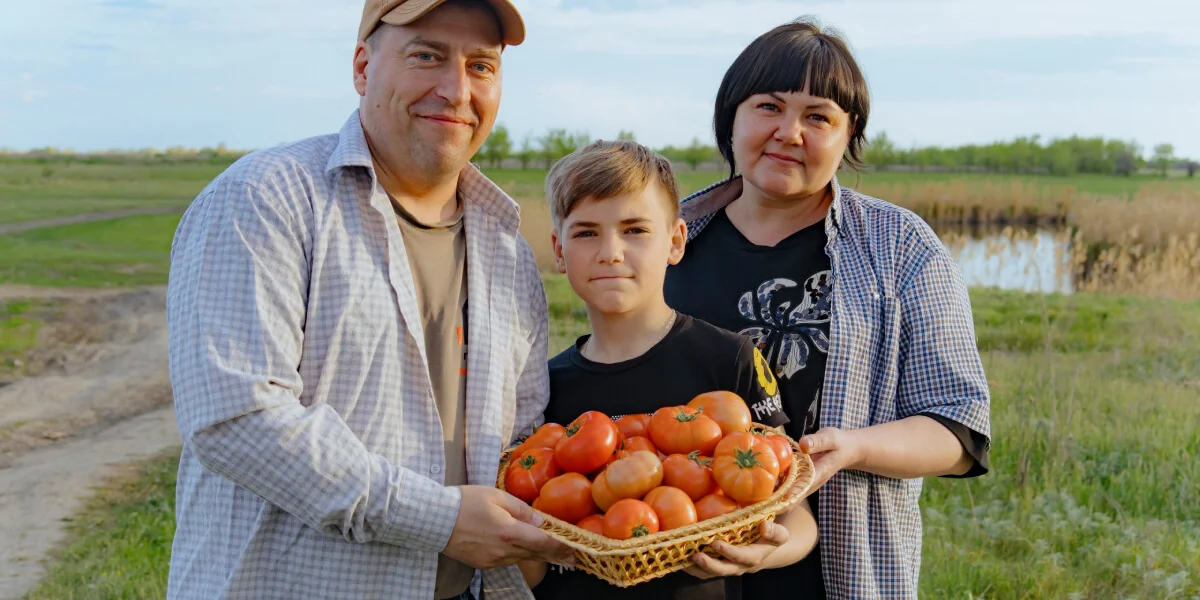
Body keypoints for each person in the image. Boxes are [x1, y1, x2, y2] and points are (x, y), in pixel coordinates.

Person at [164, 1, 573, 598]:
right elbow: (238, 419)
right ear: (362, 67)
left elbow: (523, 439)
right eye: (427, 56)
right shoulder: (265, 199)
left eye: (481, 66)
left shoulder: (506, 248)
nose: (457, 90)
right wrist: (439, 520)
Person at [663, 19, 992, 599]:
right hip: (666, 561)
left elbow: (958, 429)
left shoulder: (900, 247)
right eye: (769, 106)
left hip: (836, 572)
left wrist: (854, 448)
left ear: (848, 134)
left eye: (818, 117)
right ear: (731, 117)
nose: (789, 132)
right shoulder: (666, 239)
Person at [519, 140, 816, 600]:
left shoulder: (729, 359)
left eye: (635, 230)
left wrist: (766, 553)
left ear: (675, 241)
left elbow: (796, 511)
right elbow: (533, 560)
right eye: (586, 233)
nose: (611, 252)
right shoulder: (543, 384)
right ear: (559, 251)